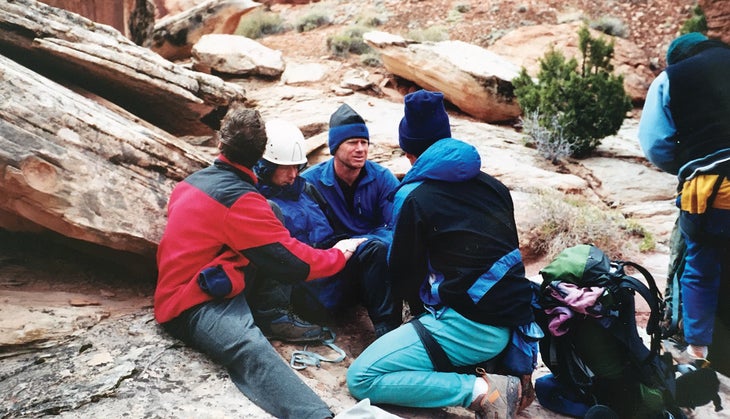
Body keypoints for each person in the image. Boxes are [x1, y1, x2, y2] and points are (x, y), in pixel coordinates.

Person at [154, 106, 366, 419]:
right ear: (258, 158)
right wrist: (340, 255)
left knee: (273, 213)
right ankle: (315, 415)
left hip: (206, 276)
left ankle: (269, 313)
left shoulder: (190, 183)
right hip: (191, 303)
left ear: (220, 146)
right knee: (249, 349)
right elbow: (294, 264)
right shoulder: (241, 202)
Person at [346, 90, 539, 418]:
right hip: (513, 323)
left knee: (362, 377)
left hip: (471, 327)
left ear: (409, 152)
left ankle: (482, 392)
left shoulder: (413, 196)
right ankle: (495, 371)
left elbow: (403, 274)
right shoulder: (494, 186)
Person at [254, 118, 401, 337]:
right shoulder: (257, 201)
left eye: (296, 167)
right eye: (285, 168)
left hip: (330, 273)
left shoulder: (307, 190)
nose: (293, 175)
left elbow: (330, 233)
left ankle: (388, 332)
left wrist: (349, 247)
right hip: (304, 288)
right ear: (267, 167)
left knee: (373, 249)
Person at [638, 32, 730, 363]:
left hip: (711, 189)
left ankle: (698, 350)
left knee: (700, 268)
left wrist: (688, 160)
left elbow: (655, 143)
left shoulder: (672, 77)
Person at [301, 103, 399, 242]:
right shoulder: (310, 182)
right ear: (335, 148)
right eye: (352, 142)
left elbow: (397, 225)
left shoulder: (382, 178)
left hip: (374, 251)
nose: (360, 149)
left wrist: (361, 244)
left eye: (364, 142)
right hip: (333, 255)